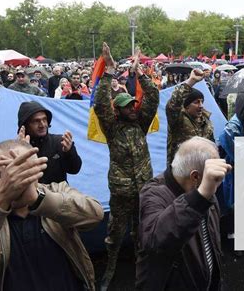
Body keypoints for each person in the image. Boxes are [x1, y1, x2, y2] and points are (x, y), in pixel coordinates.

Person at [0, 139, 104, 290]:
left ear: (37, 171)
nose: (14, 184)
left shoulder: (57, 190)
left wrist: (39, 200)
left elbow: (95, 215)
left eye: (23, 173)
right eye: (0, 177)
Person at [94, 43, 159, 287]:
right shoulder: (112, 129)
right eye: (127, 106)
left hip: (144, 189)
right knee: (114, 235)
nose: (133, 108)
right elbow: (101, 105)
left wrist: (139, 73)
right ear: (118, 111)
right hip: (121, 192)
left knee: (142, 230)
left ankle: (142, 266)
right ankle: (109, 271)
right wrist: (109, 70)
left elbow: (153, 97)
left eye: (133, 104)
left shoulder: (140, 123)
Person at [136, 137, 231, 290]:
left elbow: (213, 241)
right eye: (214, 177)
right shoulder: (153, 193)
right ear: (195, 177)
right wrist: (199, 197)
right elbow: (155, 240)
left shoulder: (206, 191)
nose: (218, 182)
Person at [17, 101, 82, 185]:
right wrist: (22, 153)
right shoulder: (16, 148)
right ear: (25, 125)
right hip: (31, 195)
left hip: (58, 195)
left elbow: (74, 170)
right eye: (36, 121)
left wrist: (69, 152)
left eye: (44, 119)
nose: (42, 124)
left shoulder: (60, 142)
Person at [166, 68, 214, 166]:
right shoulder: (178, 120)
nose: (201, 105)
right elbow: (173, 105)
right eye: (196, 102)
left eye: (202, 101)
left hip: (201, 171)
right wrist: (191, 81)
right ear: (186, 106)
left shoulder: (206, 121)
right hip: (181, 173)